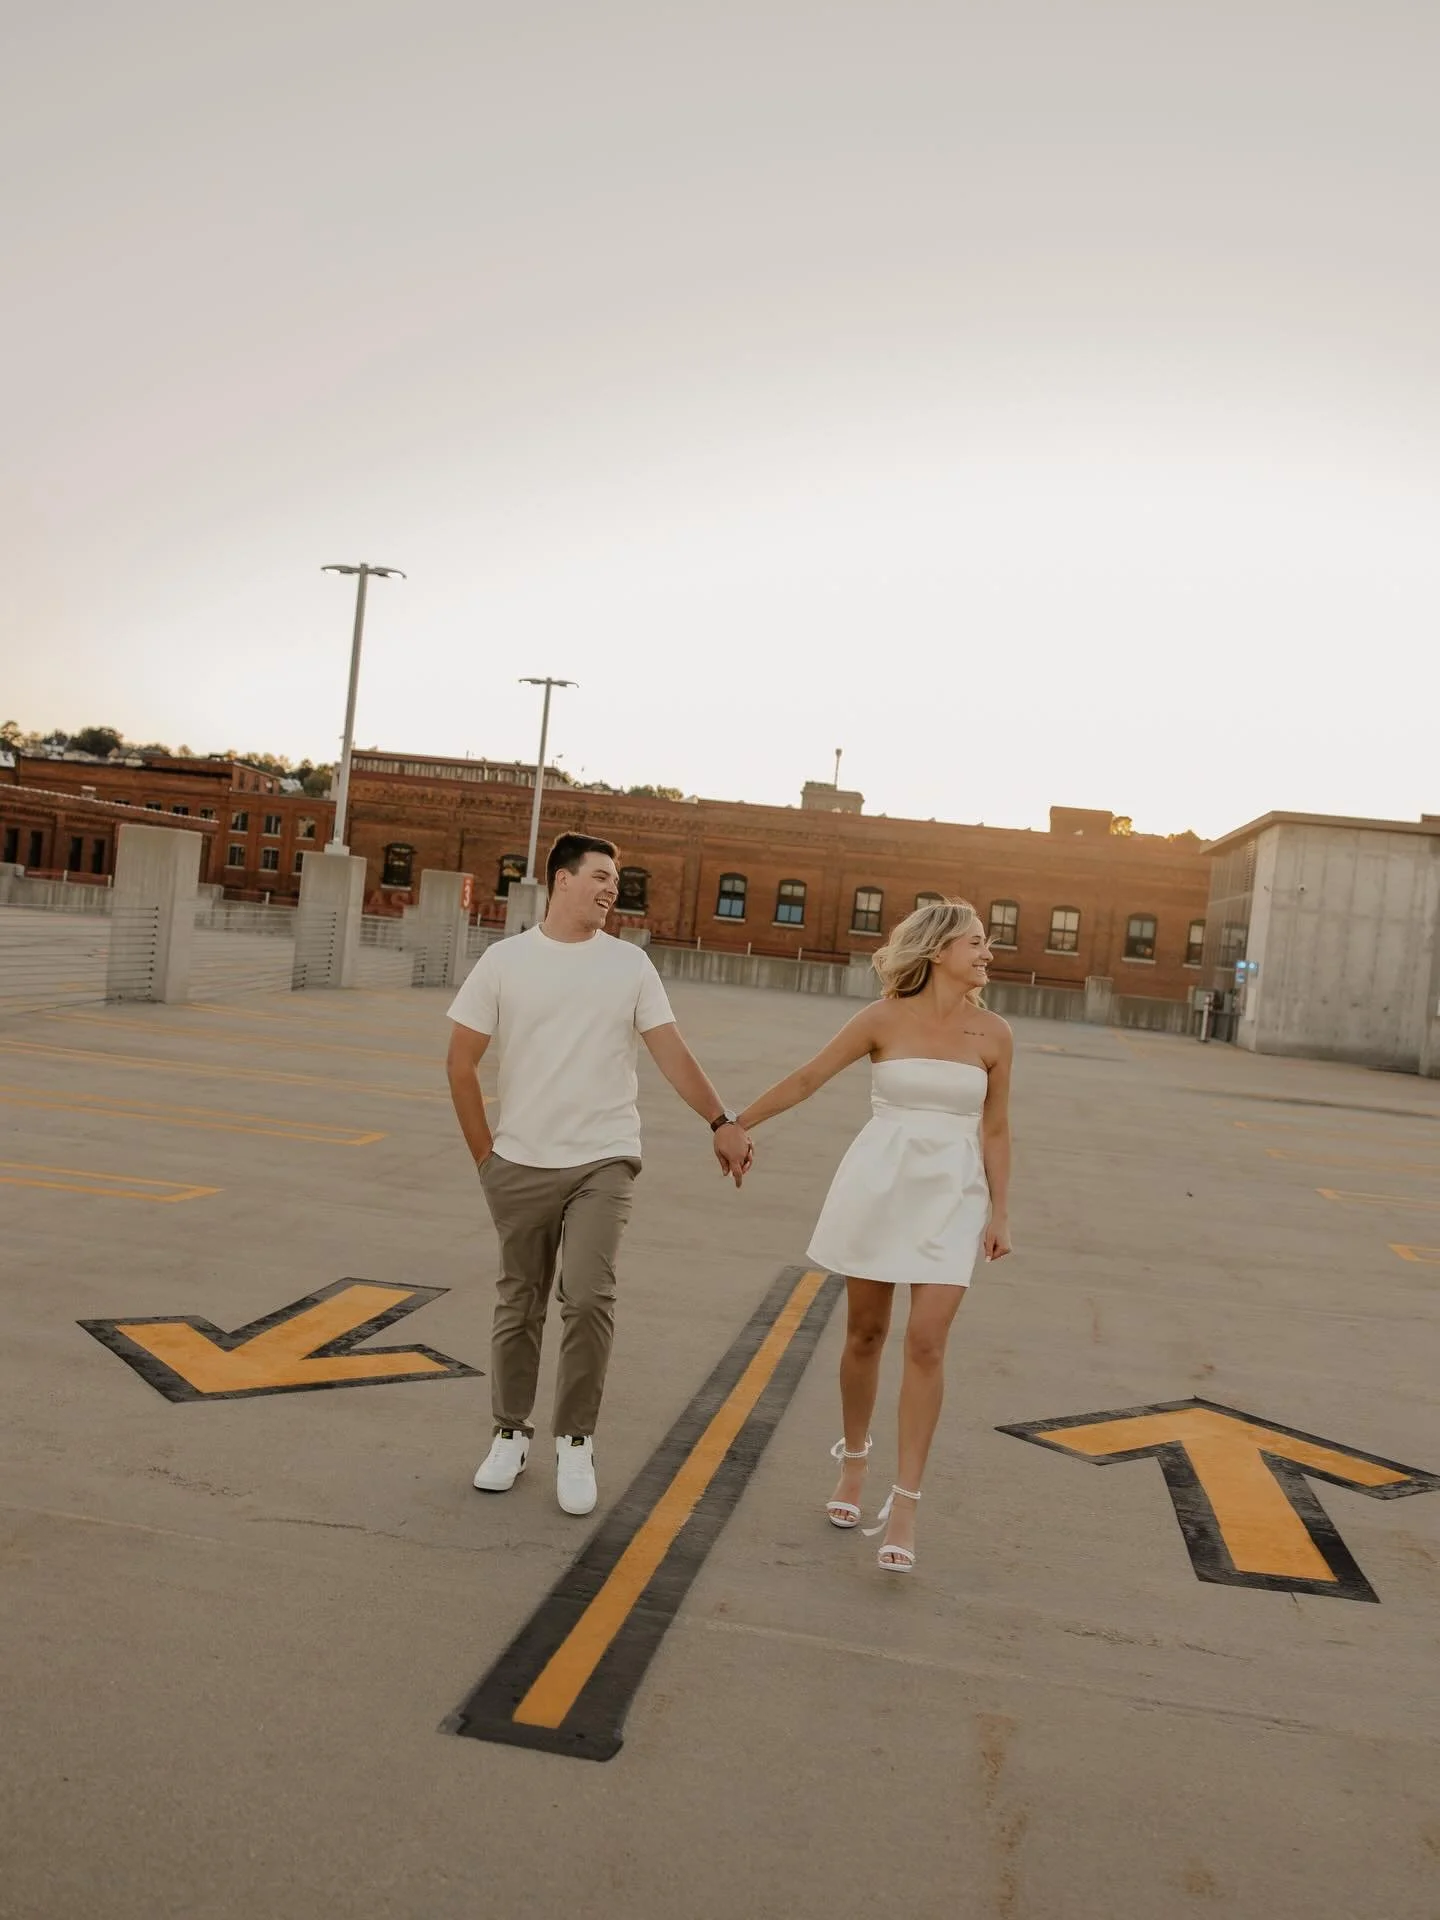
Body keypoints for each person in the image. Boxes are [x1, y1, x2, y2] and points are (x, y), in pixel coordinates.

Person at [446, 832, 754, 1517]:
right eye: (600, 876)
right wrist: (486, 1159)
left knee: (587, 1297)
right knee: (519, 1301)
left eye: (617, 880)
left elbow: (671, 1053)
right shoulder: (504, 962)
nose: (612, 889)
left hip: (603, 1158)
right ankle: (509, 1433)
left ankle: (575, 1440)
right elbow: (460, 1062)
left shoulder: (629, 967)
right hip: (520, 1161)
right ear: (561, 880)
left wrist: (720, 1120)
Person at [736, 898, 1012, 1573]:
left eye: (987, 944)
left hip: (953, 1197)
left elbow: (997, 1130)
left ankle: (907, 1502)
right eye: (975, 943)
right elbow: (809, 1077)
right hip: (879, 1187)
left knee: (927, 1343)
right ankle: (853, 1463)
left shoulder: (995, 1034)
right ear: (939, 949)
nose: (986, 954)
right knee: (865, 1333)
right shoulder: (881, 1019)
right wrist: (736, 1123)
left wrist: (1001, 1212)